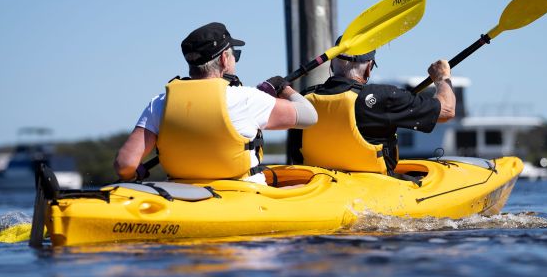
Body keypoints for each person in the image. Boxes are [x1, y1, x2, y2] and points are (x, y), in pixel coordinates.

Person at [114, 22, 317, 184]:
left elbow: (125, 165)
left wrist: (133, 174)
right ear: (223, 59)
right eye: (235, 54)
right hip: (243, 196)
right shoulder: (247, 99)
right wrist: (283, 88)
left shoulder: (160, 103)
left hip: (180, 196)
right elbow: (310, 116)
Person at [290, 44, 455, 175]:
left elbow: (296, 153)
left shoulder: (304, 98)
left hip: (320, 184)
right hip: (373, 186)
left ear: (332, 64)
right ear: (369, 68)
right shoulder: (384, 96)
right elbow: (447, 110)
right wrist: (441, 77)